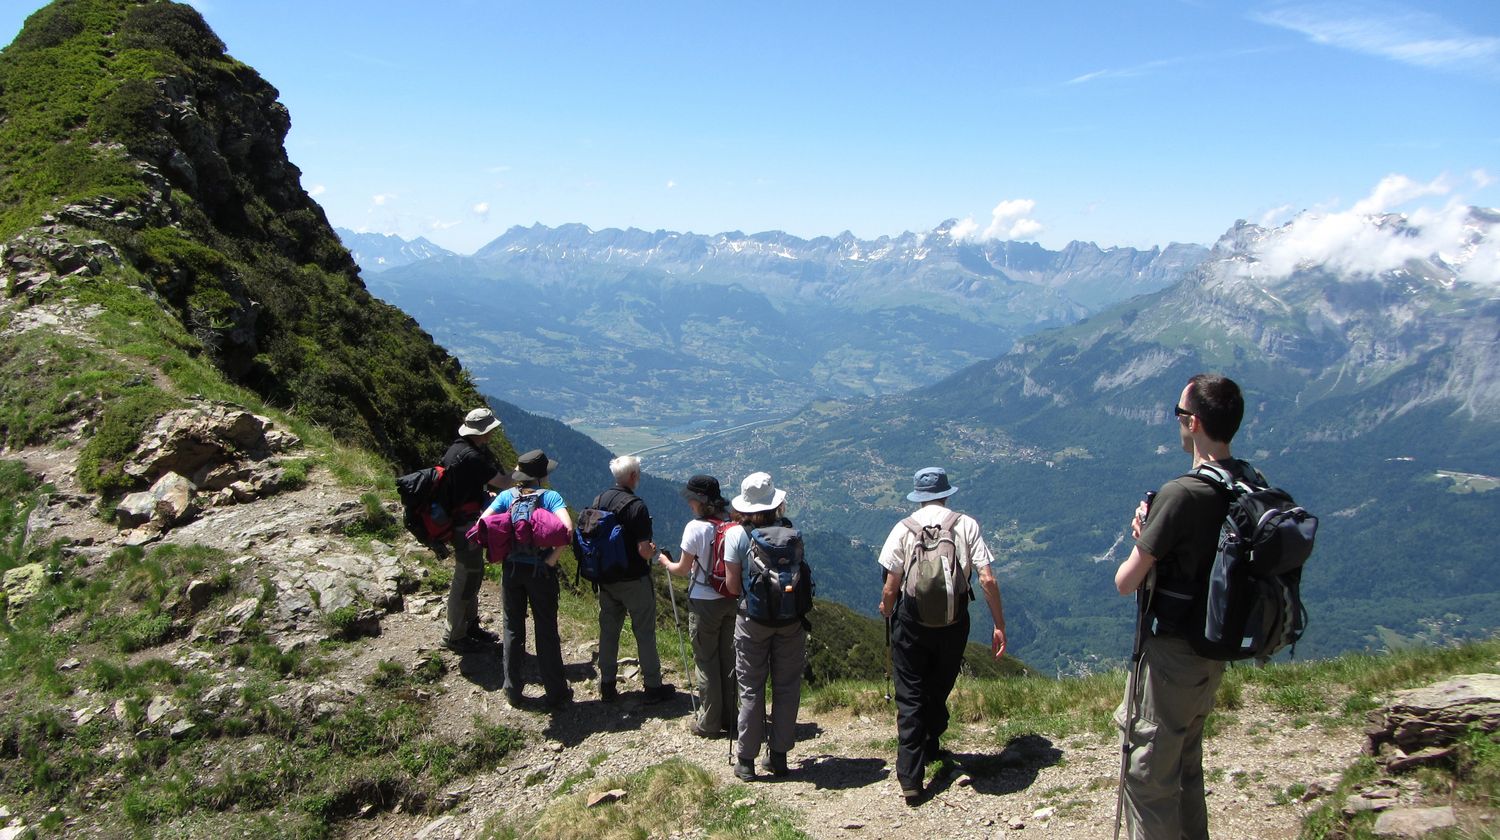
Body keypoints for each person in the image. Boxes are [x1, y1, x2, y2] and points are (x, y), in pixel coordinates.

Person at [1113, 373, 1249, 840]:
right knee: (1188, 767)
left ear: (1192, 422)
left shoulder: (1182, 492)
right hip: (1213, 650)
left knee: (1147, 779)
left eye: (1177, 414)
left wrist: (1143, 538)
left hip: (1171, 654)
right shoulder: (1246, 482)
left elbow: (1125, 582)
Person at [876, 466, 1007, 804]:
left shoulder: (903, 529)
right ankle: (932, 739)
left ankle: (910, 776)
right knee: (938, 684)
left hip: (911, 622)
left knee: (910, 696)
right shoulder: (966, 524)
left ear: (918, 497)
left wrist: (887, 609)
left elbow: (892, 585)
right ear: (947, 493)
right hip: (953, 621)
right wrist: (998, 624)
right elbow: (987, 579)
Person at [723, 471, 807, 781]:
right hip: (790, 621)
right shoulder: (791, 533)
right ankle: (780, 757)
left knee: (751, 687)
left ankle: (746, 761)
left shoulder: (736, 535)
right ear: (776, 504)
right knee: (786, 687)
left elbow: (732, 586)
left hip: (751, 620)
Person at [485, 449, 573, 709]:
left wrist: (500, 552)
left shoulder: (505, 497)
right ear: (542, 475)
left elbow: (483, 522)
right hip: (540, 571)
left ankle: (512, 690)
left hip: (511, 570)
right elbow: (567, 530)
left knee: (512, 628)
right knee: (546, 630)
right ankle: (556, 692)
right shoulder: (550, 497)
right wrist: (551, 559)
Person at [589, 455, 675, 704]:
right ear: (633, 476)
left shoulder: (600, 499)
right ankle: (652, 686)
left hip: (606, 578)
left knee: (609, 630)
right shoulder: (637, 506)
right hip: (634, 579)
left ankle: (607, 684)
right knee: (644, 632)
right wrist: (653, 549)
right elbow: (643, 551)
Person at [659, 474, 738, 737]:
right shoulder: (732, 524)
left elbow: (682, 570)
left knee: (706, 661)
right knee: (729, 660)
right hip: (730, 599)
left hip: (704, 601)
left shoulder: (695, 528)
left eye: (692, 499)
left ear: (702, 501)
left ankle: (709, 722)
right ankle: (733, 718)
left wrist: (664, 563)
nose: (690, 503)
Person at [440, 407, 509, 654]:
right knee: (466, 577)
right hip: (465, 525)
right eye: (491, 428)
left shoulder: (455, 450)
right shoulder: (472, 456)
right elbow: (503, 482)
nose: (493, 432)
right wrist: (526, 479)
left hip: (461, 520)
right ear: (484, 431)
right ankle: (455, 635)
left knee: (473, 574)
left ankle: (469, 627)